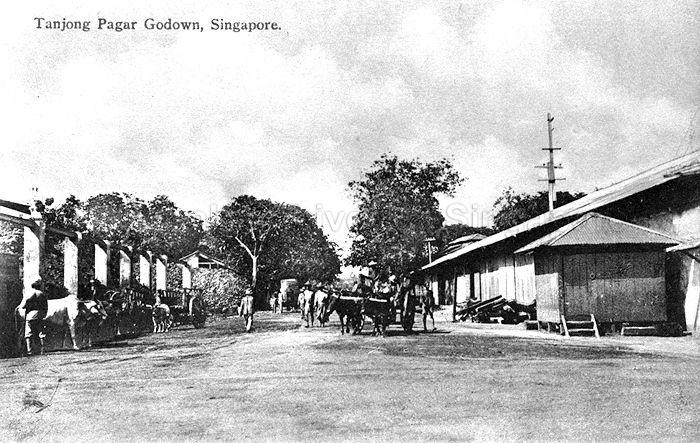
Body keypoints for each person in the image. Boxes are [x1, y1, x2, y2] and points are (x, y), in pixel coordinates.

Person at [20, 279, 48, 356]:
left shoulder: (29, 293)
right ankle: (42, 350)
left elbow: (23, 306)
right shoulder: (42, 294)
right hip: (40, 315)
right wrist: (44, 315)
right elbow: (45, 306)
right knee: (40, 333)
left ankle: (29, 350)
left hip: (30, 316)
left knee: (28, 333)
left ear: (32, 286)